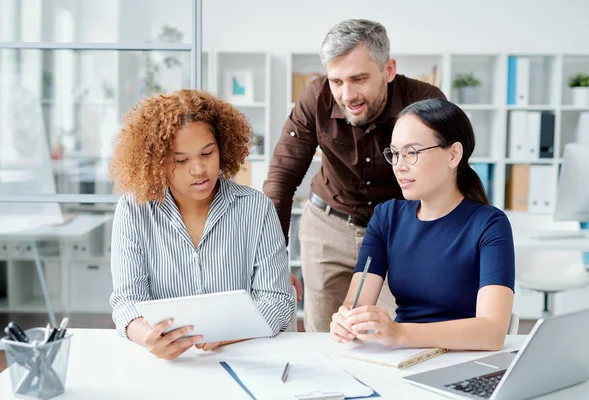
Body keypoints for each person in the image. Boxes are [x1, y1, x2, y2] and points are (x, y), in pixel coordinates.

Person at [263, 19, 447, 332]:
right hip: (328, 227)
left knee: (394, 331)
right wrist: (272, 263)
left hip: (398, 232)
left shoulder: (425, 103)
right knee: (325, 334)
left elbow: (446, 182)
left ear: (388, 70)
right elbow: (281, 179)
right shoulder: (316, 98)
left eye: (358, 79)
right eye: (337, 81)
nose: (347, 94)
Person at [108, 89, 295, 360]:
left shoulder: (256, 209)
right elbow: (126, 302)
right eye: (181, 160)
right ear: (156, 162)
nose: (199, 169)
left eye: (207, 153)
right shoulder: (133, 210)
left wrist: (227, 331)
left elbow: (277, 302)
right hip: (167, 366)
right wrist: (147, 337)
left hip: (242, 359)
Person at [329, 98, 515, 351]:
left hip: (464, 357)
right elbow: (357, 302)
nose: (399, 166)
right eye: (394, 154)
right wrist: (348, 321)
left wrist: (399, 332)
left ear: (453, 155)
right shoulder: (386, 217)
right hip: (402, 357)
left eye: (412, 153)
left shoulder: (489, 224)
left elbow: (492, 333)